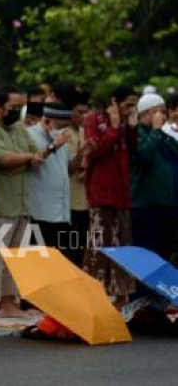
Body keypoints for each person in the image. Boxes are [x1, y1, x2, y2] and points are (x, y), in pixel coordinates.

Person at [0, 85, 41, 319]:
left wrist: (23, 159)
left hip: (21, 201)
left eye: (20, 107)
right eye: (14, 107)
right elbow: (2, 159)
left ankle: (8, 303)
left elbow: (38, 154)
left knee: (16, 258)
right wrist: (25, 158)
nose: (17, 111)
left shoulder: (19, 128)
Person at [82, 85, 138, 304]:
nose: (130, 110)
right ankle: (95, 297)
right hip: (101, 193)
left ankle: (121, 298)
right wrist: (113, 129)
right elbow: (94, 153)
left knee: (123, 248)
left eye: (134, 105)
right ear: (114, 102)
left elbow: (132, 153)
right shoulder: (94, 120)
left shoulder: (127, 124)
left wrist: (131, 129)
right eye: (127, 105)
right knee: (100, 247)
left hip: (122, 195)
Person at [130, 94, 178, 260]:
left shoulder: (165, 137)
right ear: (145, 114)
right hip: (145, 206)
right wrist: (156, 130)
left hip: (167, 206)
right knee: (147, 256)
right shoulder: (137, 134)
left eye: (163, 112)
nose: (162, 116)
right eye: (157, 111)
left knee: (165, 255)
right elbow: (145, 156)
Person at [27, 104, 74, 255]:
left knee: (58, 263)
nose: (65, 131)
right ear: (47, 121)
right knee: (39, 264)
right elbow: (31, 164)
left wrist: (83, 155)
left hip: (62, 214)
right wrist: (53, 146)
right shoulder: (29, 135)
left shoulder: (61, 140)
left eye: (67, 126)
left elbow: (67, 170)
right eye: (61, 126)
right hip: (40, 214)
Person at [66, 92, 91, 266]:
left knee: (82, 247)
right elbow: (68, 168)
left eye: (86, 112)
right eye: (79, 112)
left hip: (86, 200)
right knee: (69, 248)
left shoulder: (85, 131)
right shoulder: (64, 134)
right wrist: (82, 156)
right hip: (69, 201)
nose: (84, 116)